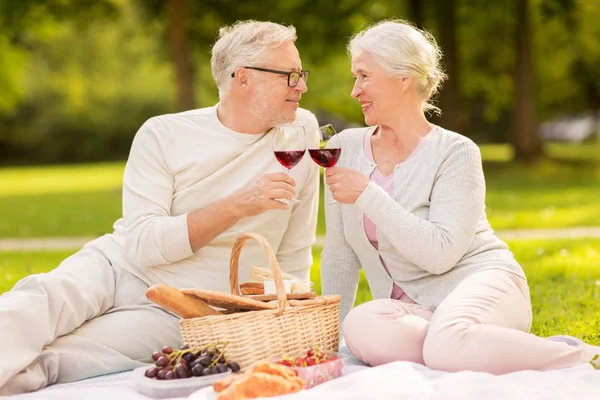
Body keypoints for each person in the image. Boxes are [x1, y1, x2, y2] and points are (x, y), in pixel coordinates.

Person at [0, 20, 319, 395]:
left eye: (301, 74)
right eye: (290, 75)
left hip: (187, 309)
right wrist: (238, 205)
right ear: (243, 78)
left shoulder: (302, 133)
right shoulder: (163, 134)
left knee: (60, 359)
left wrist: (289, 319)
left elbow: (295, 251)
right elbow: (143, 244)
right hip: (119, 267)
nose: (302, 86)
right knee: (38, 302)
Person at [320, 19, 600, 374]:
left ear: (404, 78)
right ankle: (465, 345)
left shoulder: (456, 152)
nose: (354, 90)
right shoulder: (345, 147)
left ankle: (583, 357)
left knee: (446, 342)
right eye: (354, 77)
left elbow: (440, 254)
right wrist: (328, 347)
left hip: (481, 282)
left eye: (364, 76)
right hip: (415, 313)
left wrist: (367, 194)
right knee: (360, 327)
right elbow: (339, 255)